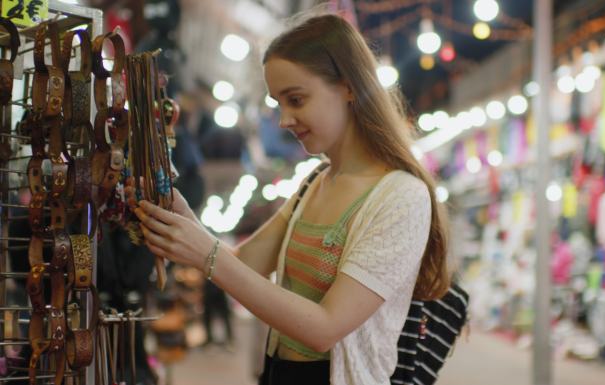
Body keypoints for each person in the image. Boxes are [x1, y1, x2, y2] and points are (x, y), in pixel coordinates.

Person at [127, 13, 451, 385]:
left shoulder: (400, 197)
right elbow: (244, 267)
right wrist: (186, 221)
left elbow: (324, 328)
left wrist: (205, 252)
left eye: (296, 99)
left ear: (348, 87)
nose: (283, 120)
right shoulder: (316, 181)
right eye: (278, 103)